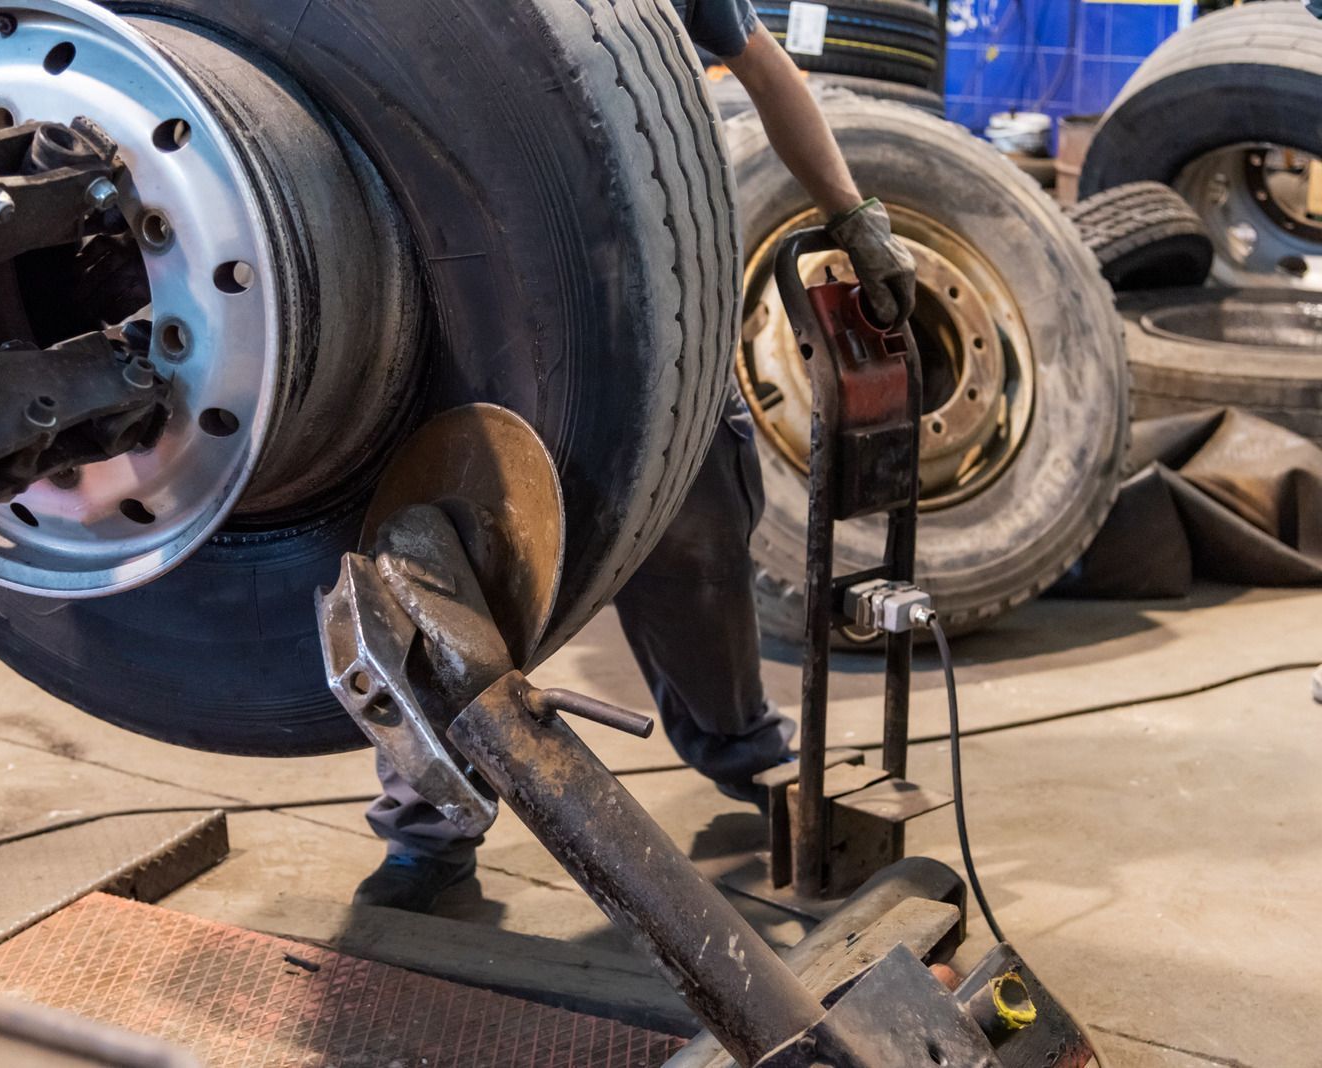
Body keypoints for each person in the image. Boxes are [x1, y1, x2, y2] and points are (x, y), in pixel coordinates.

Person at [354, 0, 918, 913]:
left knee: (698, 548)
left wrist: (853, 213)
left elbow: (764, 68)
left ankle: (743, 748)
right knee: (440, 563)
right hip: (474, 307)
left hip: (654, 321)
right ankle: (429, 823)